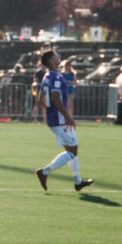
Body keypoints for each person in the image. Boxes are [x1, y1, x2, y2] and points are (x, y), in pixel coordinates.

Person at [34, 49, 93, 192]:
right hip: (60, 120)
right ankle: (44, 172)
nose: (58, 57)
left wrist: (49, 110)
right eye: (55, 55)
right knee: (73, 151)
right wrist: (67, 117)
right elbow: (55, 98)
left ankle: (78, 182)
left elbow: (40, 98)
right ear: (51, 60)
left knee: (70, 150)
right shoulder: (56, 77)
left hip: (54, 119)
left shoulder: (46, 76)